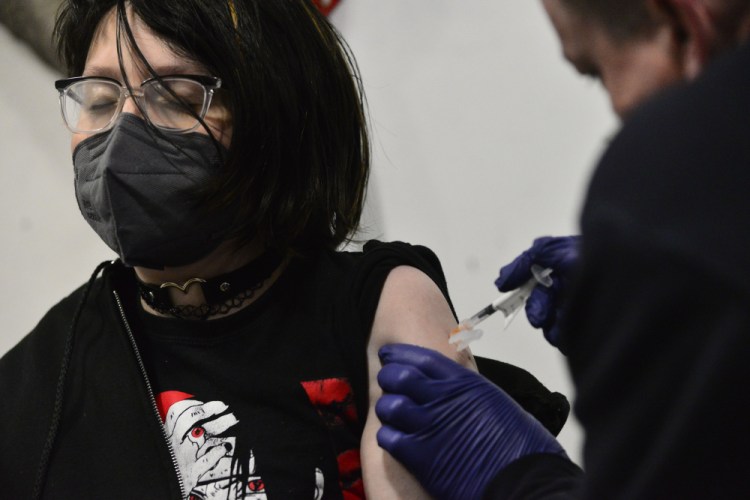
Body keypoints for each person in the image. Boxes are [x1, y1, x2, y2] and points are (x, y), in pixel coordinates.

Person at [0, 0, 497, 498]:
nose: (123, 134)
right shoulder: (37, 383)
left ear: (275, 116)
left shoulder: (378, 309)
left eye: (174, 95)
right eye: (102, 101)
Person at [375, 0, 750, 498]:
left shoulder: (670, 171)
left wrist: (516, 474)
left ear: (685, 25)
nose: (617, 106)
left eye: (597, 71)